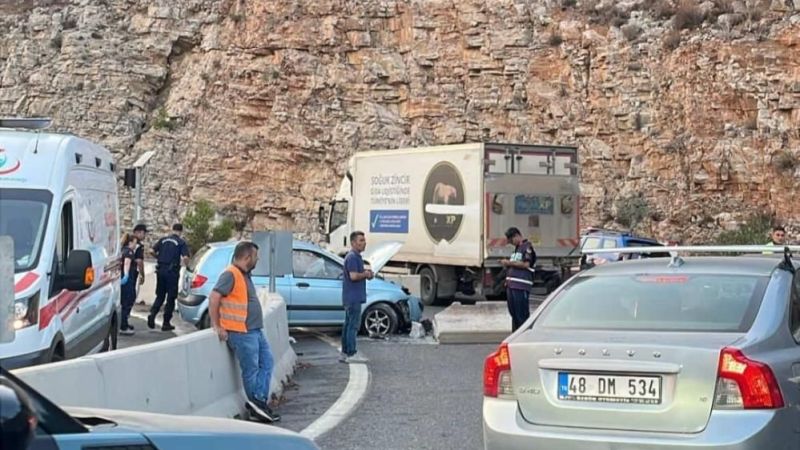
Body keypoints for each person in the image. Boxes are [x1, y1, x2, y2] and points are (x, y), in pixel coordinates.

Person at [209, 241, 280, 423]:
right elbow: (214, 297)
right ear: (247, 257)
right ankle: (257, 406)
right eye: (256, 256)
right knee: (251, 369)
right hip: (241, 331)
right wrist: (217, 325)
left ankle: (259, 402)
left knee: (267, 362)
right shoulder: (230, 274)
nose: (258, 260)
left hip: (254, 330)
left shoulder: (244, 275)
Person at [148, 223, 189, 331]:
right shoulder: (181, 242)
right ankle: (166, 323)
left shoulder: (163, 240)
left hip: (161, 270)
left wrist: (158, 257)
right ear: (180, 231)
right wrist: (187, 266)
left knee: (160, 295)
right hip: (172, 272)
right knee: (171, 298)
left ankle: (152, 314)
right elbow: (185, 257)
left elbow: (151, 251)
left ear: (172, 229)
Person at [340, 231, 373, 363]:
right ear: (353, 243)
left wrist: (366, 273)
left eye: (364, 240)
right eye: (361, 240)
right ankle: (351, 353)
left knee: (348, 325)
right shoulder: (352, 257)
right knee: (352, 326)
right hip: (353, 297)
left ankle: (345, 352)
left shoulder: (356, 257)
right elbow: (353, 276)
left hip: (351, 296)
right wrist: (365, 274)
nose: (364, 243)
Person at [501, 227, 537, 332]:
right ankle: (516, 333)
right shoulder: (516, 249)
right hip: (511, 285)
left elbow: (526, 264)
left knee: (521, 313)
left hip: (521, 285)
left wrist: (509, 263)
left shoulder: (527, 247)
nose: (511, 243)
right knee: (514, 313)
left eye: (511, 240)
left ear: (517, 236)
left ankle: (524, 333)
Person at [119, 233, 139, 335]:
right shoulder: (129, 252)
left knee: (124, 301)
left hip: (123, 279)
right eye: (135, 243)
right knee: (127, 301)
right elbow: (127, 263)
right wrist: (126, 275)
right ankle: (123, 325)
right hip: (127, 280)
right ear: (130, 242)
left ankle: (124, 323)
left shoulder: (122, 250)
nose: (136, 245)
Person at [133, 224, 148, 304]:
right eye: (143, 233)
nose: (144, 236)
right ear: (137, 232)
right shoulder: (139, 245)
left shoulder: (127, 241)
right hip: (132, 271)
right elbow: (139, 261)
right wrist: (142, 274)